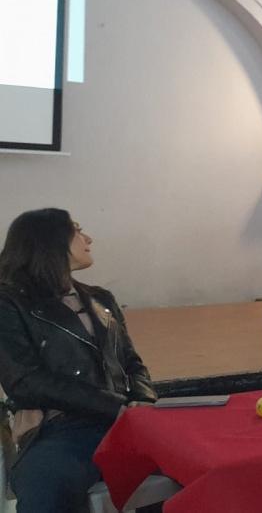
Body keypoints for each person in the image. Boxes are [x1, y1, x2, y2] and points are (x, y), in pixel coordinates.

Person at [0, 209, 156, 512]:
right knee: (46, 487)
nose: (88, 239)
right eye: (77, 231)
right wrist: (115, 406)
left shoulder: (101, 299)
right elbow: (25, 381)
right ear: (49, 241)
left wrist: (143, 399)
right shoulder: (10, 303)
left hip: (128, 425)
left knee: (202, 462)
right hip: (63, 428)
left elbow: (132, 363)